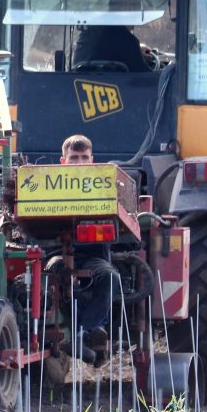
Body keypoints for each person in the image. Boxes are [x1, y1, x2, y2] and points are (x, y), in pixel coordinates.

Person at [60, 134, 122, 365]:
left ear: (92, 160)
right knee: (56, 278)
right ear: (63, 161)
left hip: (91, 258)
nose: (79, 163)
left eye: (84, 158)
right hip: (55, 256)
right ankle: (78, 332)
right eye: (74, 158)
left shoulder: (102, 186)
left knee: (110, 276)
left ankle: (86, 332)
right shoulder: (50, 187)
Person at [72, 25, 151, 72]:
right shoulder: (123, 37)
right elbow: (143, 74)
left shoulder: (88, 32)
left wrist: (137, 50)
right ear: (129, 8)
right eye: (135, 8)